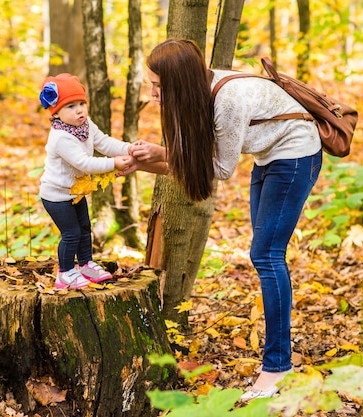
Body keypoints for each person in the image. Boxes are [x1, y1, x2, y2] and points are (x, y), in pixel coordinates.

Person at [123, 39, 322, 400]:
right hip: (270, 158)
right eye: (150, 84)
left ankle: (278, 368)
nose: (151, 94)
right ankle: (279, 363)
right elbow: (193, 158)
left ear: (178, 83)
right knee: (265, 254)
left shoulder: (226, 101)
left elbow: (219, 167)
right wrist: (144, 160)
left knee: (267, 254)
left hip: (295, 155)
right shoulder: (198, 93)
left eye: (157, 87)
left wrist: (159, 156)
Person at [39, 73, 133, 290]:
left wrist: (127, 148)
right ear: (57, 112)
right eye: (71, 106)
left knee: (84, 229)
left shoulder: (85, 126)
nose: (80, 110)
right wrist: (114, 164)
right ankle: (65, 273)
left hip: (76, 192)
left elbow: (104, 142)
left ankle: (85, 264)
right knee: (70, 234)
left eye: (82, 103)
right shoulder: (61, 137)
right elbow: (85, 164)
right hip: (56, 196)